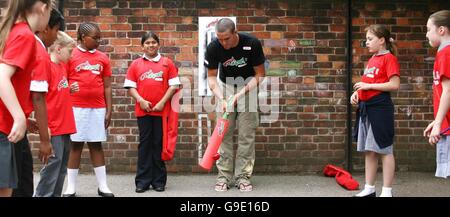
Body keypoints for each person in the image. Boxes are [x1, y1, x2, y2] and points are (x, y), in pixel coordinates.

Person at [204, 18, 266, 192]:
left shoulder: (251, 43)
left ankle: (243, 177)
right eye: (219, 38)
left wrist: (240, 94)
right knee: (223, 134)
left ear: (235, 33)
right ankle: (223, 176)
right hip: (225, 86)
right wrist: (222, 98)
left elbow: (260, 74)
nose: (223, 42)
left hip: (248, 87)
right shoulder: (213, 47)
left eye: (226, 38)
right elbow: (211, 77)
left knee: (247, 135)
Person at [0, 0, 53, 198]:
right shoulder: (24, 35)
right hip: (4, 129)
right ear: (43, 8)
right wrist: (18, 117)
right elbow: (1, 76)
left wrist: (20, 114)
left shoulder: (13, 30)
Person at [124, 31, 181, 193]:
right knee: (145, 144)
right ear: (142, 46)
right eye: (147, 43)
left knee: (158, 145)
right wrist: (141, 100)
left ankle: (158, 180)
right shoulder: (136, 64)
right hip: (143, 112)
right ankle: (142, 181)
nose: (151, 45)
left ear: (158, 44)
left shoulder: (166, 63)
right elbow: (130, 87)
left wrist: (162, 102)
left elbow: (174, 85)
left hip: (161, 112)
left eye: (153, 42)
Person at [63, 22, 114, 197]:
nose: (99, 40)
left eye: (100, 37)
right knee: (75, 145)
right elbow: (63, 81)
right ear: (83, 38)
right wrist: (69, 88)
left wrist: (109, 109)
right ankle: (70, 187)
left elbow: (107, 86)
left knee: (96, 145)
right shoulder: (71, 55)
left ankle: (103, 186)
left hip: (97, 108)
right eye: (95, 37)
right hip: (76, 108)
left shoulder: (102, 58)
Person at [351, 24, 400, 197]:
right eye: (366, 39)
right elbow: (368, 83)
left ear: (382, 40)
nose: (367, 42)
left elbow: (394, 85)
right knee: (369, 150)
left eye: (370, 39)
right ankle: (369, 188)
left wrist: (368, 86)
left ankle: (387, 191)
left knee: (384, 149)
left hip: (381, 109)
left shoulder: (389, 59)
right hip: (366, 109)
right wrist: (357, 94)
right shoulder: (372, 59)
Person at [34, 30, 77, 197]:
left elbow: (56, 92)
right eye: (70, 51)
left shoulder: (61, 67)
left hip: (66, 125)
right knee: (53, 165)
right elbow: (40, 99)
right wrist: (47, 128)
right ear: (58, 49)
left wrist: (68, 89)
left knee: (61, 167)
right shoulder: (47, 67)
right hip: (55, 126)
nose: (71, 55)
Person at [423, 10, 450, 179]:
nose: (426, 35)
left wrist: (439, 123)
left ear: (441, 30)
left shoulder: (446, 53)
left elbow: (448, 90)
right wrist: (437, 121)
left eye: (428, 29)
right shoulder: (443, 52)